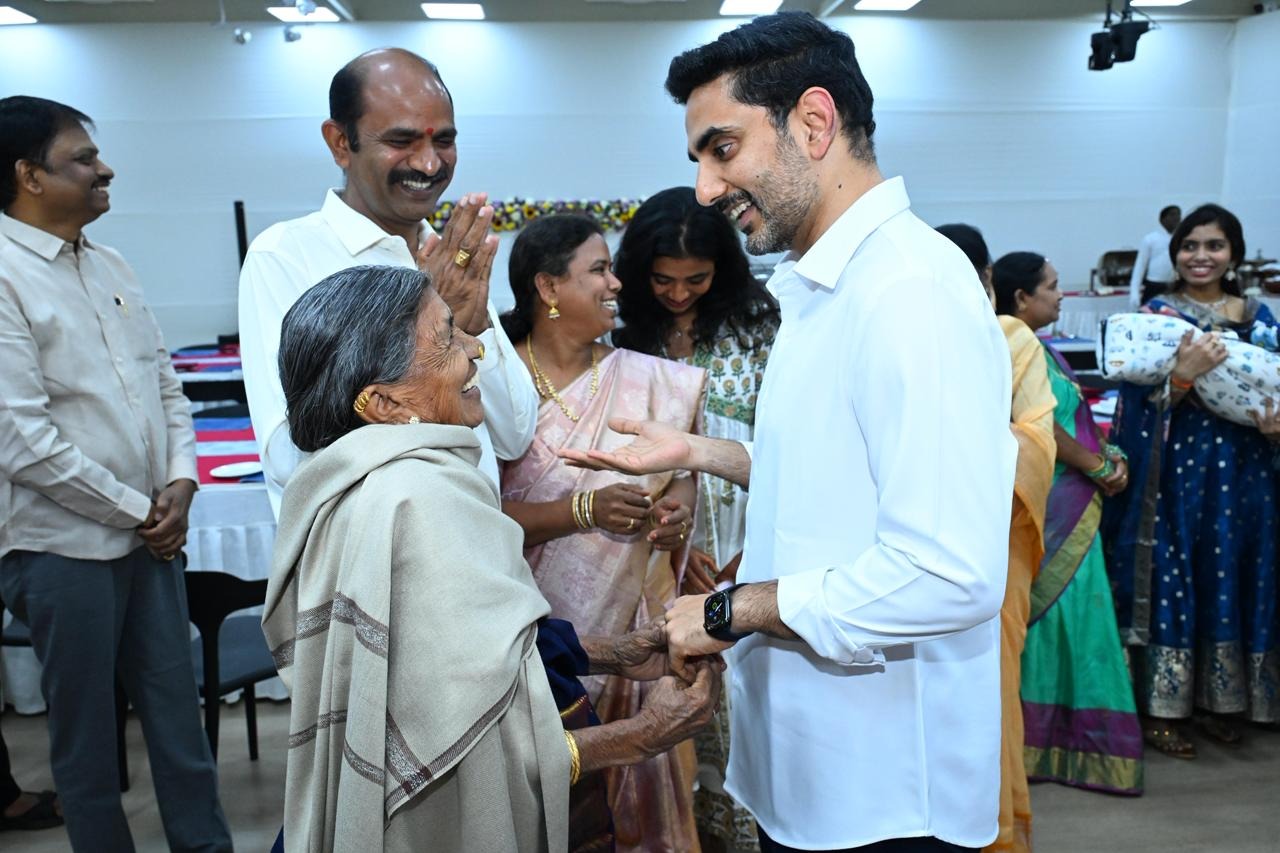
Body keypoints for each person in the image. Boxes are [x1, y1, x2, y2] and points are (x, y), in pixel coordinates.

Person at [564, 13, 1018, 852]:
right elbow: (838, 476)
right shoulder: (823, 285)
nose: (704, 187)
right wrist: (700, 452)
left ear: (813, 123)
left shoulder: (909, 290)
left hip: (884, 793)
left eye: (722, 148)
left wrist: (734, 609)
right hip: (814, 769)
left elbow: (950, 572)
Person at [262, 264, 720, 852]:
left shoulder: (342, 482)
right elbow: (482, 752)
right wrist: (644, 735)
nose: (475, 348)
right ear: (382, 402)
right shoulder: (421, 499)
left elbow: (459, 662)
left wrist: (613, 653)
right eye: (448, 338)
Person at [0, 96, 231, 851]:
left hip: (149, 539)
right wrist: (142, 507)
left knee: (179, 724)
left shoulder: (110, 263)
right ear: (28, 175)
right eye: (83, 159)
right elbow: (20, 439)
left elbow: (165, 383)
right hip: (61, 548)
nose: (106, 170)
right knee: (87, 743)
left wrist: (183, 480)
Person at [239, 47, 537, 515]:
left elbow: (514, 437)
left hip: (476, 552)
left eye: (444, 140)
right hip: (367, 565)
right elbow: (287, 457)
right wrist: (430, 330)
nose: (429, 164)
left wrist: (469, 329)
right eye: (402, 141)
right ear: (340, 142)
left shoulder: (448, 255)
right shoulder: (285, 255)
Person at [498, 214, 708, 852]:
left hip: (628, 643)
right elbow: (470, 520)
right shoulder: (492, 384)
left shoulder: (658, 381)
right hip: (523, 639)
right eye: (599, 269)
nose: (617, 282)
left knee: (630, 805)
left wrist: (674, 512)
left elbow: (681, 480)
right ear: (548, 287)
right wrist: (583, 511)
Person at [612, 185, 778, 852]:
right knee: (678, 700)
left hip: (750, 545)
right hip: (659, 549)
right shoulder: (623, 335)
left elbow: (788, 449)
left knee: (749, 701)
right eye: (662, 280)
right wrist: (680, 551)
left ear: (724, 269)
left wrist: (751, 551)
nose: (678, 293)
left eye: (696, 279)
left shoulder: (761, 331)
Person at [1103, 203, 1280, 757]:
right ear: (1174, 253)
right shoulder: (1157, 317)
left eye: (1214, 246)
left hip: (1248, 474)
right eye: (1190, 246)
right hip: (1175, 479)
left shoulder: (1259, 318)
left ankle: (1220, 702)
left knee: (1235, 573)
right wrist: (1182, 377)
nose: (1200, 256)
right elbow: (1134, 406)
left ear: (1234, 254)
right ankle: (1164, 707)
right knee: (1174, 578)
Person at [990, 252, 1143, 797]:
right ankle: (1059, 746)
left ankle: (1057, 743)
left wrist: (1108, 455)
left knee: (1069, 625)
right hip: (1054, 509)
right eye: (1051, 288)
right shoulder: (1015, 341)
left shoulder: (1041, 346)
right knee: (1065, 624)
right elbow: (1048, 427)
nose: (1060, 296)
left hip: (1069, 502)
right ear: (1021, 300)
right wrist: (1101, 466)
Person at [938, 230, 1055, 853]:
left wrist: (957, 450)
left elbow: (1036, 439)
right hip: (907, 543)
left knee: (987, 689)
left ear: (987, 283)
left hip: (992, 541)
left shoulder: (1011, 339)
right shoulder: (903, 338)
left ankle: (996, 833)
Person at [1128, 204, 1181, 309]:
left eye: (1179, 215)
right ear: (1162, 219)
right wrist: (1134, 292)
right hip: (1153, 287)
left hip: (1174, 287)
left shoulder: (1180, 239)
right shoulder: (1150, 239)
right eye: (1172, 214)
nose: (1177, 218)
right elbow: (1140, 266)